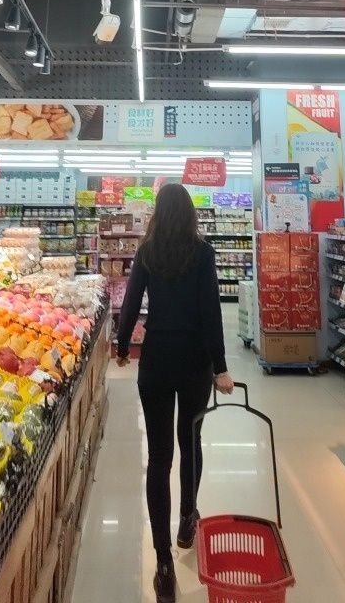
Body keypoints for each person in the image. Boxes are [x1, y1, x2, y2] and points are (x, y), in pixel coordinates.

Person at [116, 183, 234, 603]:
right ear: (189, 215)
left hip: (157, 361)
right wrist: (220, 366)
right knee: (191, 441)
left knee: (159, 457)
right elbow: (211, 313)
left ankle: (163, 562)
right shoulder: (203, 254)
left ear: (157, 215)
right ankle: (187, 518)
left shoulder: (147, 252)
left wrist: (122, 345)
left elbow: (131, 303)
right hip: (194, 362)